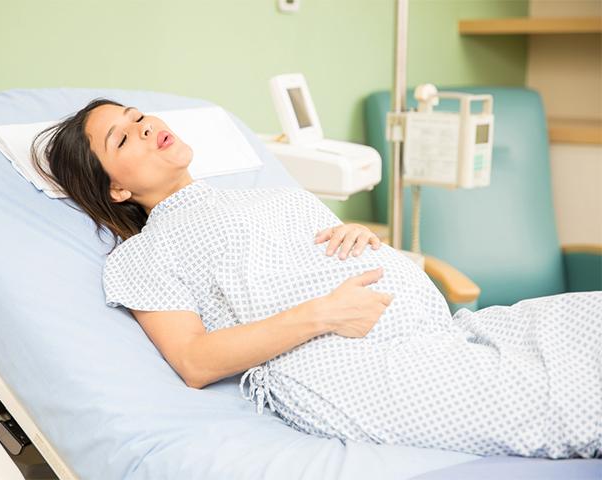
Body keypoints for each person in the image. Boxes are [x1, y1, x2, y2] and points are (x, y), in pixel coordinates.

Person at [33, 98, 602, 459]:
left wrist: (360, 237)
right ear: (117, 189)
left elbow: (316, 255)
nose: (144, 127)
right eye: (122, 138)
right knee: (565, 395)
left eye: (138, 117)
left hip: (443, 334)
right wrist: (322, 314)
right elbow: (193, 361)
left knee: (581, 320)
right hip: (338, 370)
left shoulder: (274, 197)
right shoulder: (144, 254)